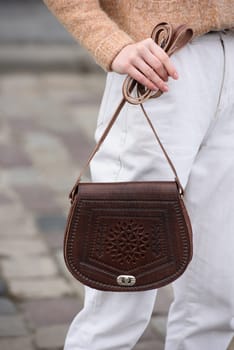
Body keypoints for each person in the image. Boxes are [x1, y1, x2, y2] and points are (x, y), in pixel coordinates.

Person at [43, 1, 234, 349]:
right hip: (159, 69)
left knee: (217, 301)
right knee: (118, 297)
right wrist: (110, 43)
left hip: (230, 62)